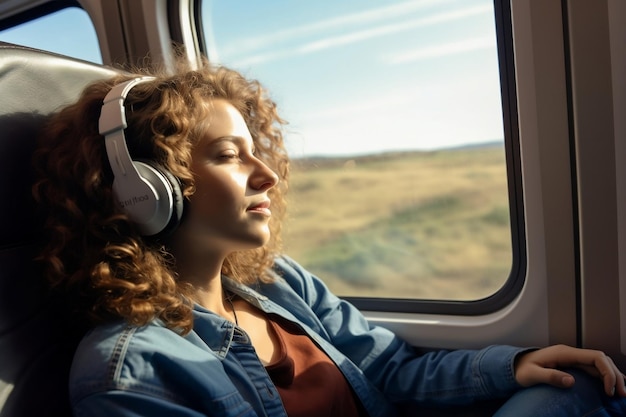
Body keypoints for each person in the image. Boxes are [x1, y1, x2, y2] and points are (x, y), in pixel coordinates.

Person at [32, 57, 626, 417]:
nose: (265, 175)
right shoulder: (132, 370)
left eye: (256, 151)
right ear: (145, 191)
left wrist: (512, 365)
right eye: (229, 156)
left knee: (573, 388)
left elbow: (390, 370)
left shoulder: (277, 283)